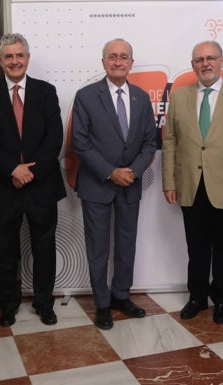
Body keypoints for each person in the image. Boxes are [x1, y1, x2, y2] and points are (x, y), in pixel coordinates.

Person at [0, 33, 66, 327]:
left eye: (20, 55)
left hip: (42, 184)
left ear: (28, 58)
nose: (15, 61)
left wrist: (31, 172)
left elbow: (55, 139)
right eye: (9, 56)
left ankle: (44, 303)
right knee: (4, 250)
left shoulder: (46, 92)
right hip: (3, 185)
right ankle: (8, 304)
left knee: (44, 249)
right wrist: (14, 169)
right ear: (0, 60)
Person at [162, 40, 223, 324]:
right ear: (193, 65)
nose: (205, 64)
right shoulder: (178, 96)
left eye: (211, 58)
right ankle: (197, 297)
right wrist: (169, 182)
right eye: (199, 59)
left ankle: (222, 298)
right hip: (190, 185)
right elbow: (170, 141)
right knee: (196, 247)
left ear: (221, 61)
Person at [71, 38, 156, 330]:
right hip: (97, 184)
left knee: (126, 244)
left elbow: (149, 142)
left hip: (130, 184)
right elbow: (79, 142)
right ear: (103, 62)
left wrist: (131, 171)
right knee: (97, 248)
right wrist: (111, 172)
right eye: (112, 57)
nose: (118, 61)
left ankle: (121, 294)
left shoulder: (142, 98)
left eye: (123, 57)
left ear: (131, 62)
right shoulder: (86, 95)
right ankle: (102, 303)